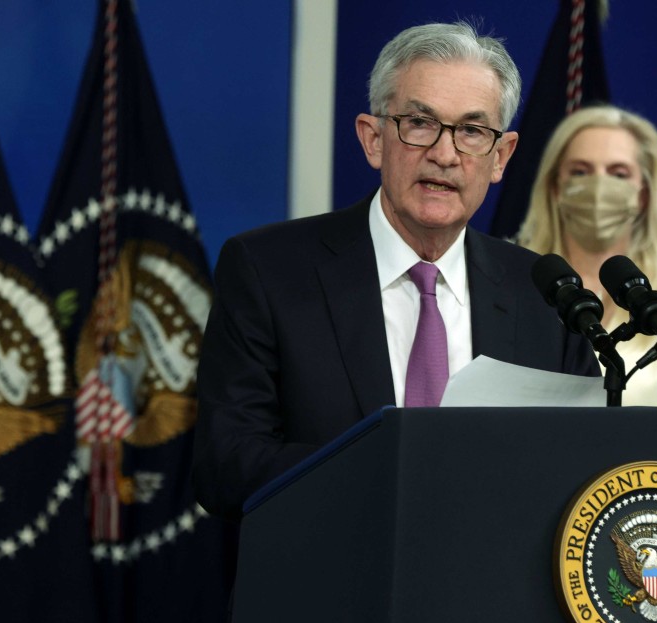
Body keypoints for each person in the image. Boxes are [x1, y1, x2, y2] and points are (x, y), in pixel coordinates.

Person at [193, 21, 600, 521]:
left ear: (501, 157)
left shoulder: (546, 295)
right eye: (420, 123)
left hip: (487, 591)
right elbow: (225, 465)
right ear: (373, 139)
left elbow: (580, 468)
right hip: (325, 588)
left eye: (472, 131)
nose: (445, 154)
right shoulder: (269, 271)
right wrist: (400, 471)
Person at [517, 105, 657, 406]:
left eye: (618, 173)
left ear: (643, 194)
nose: (599, 187)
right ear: (555, 187)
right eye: (580, 171)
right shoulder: (509, 280)